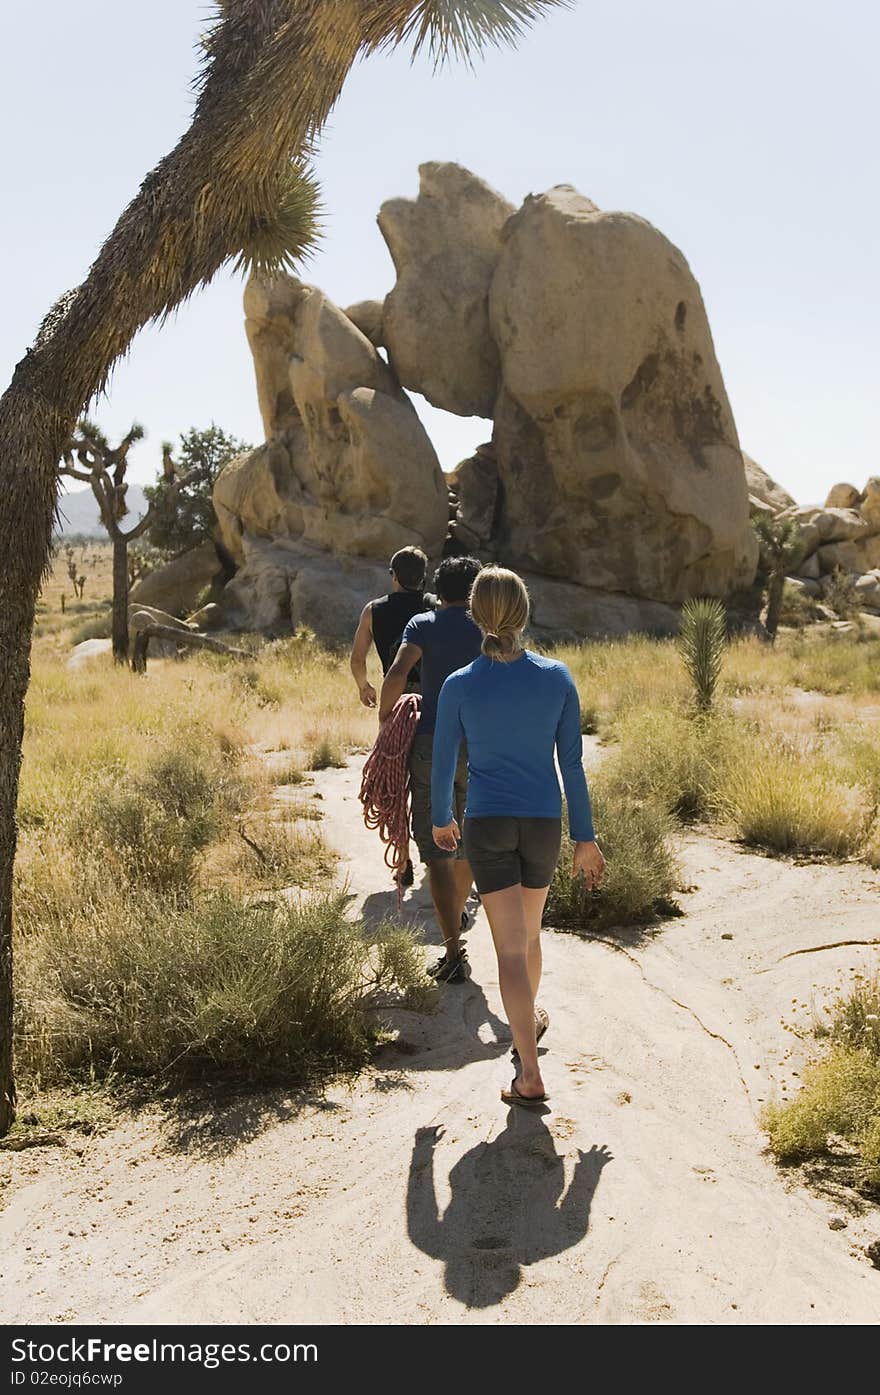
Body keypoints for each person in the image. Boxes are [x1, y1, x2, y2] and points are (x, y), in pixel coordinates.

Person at [430, 566, 605, 1106]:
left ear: (476, 616)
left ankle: (528, 1071)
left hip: (488, 824)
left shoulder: (458, 685)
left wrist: (440, 816)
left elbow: (443, 764)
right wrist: (586, 837)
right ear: (524, 614)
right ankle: (528, 1025)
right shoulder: (556, 678)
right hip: (542, 826)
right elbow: (571, 766)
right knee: (529, 937)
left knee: (507, 948)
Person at [379, 555, 483, 982]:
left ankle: (453, 951)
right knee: (469, 842)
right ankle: (456, 923)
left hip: (431, 746)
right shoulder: (491, 628)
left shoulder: (422, 624)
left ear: (438, 591)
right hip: (482, 749)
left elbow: (399, 672)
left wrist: (387, 720)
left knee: (438, 853)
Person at [349, 546, 430, 708]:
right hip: (432, 691)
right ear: (423, 577)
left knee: (392, 733)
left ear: (394, 575)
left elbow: (357, 660)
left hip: (394, 692)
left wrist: (364, 687)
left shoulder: (373, 610)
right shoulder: (436, 606)